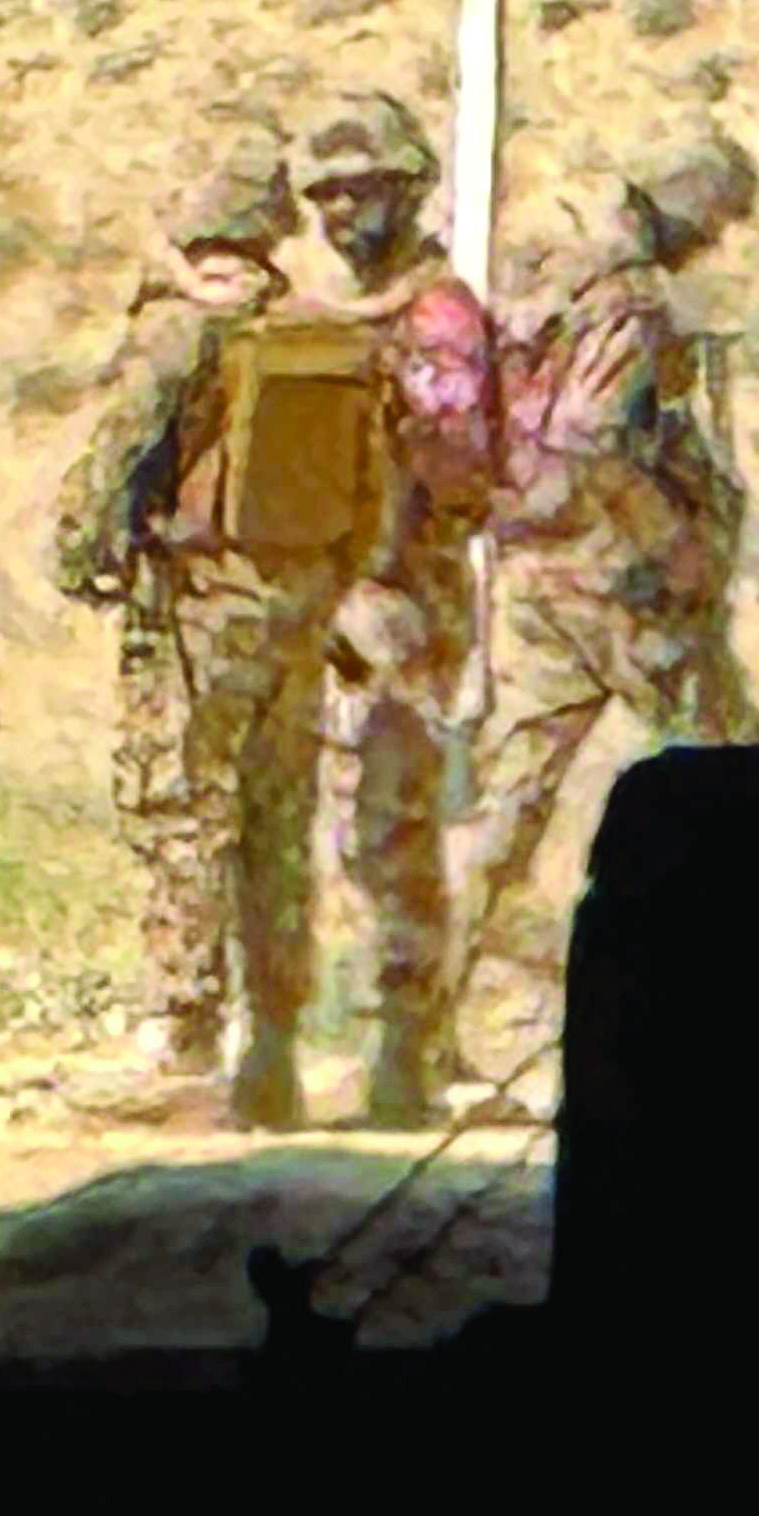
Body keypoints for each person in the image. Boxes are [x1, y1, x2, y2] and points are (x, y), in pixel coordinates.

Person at [50, 128, 350, 1127]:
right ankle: (273, 1051)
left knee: (180, 809)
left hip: (201, 601)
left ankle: (181, 1042)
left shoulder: (185, 327)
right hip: (296, 602)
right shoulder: (311, 324)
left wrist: (78, 547)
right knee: (276, 821)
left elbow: (121, 443)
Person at [449, 136, 759, 1075]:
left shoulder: (550, 286)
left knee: (511, 798)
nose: (716, 243)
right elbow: (590, 433)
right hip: (623, 587)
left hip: (540, 575)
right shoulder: (628, 304)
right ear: (688, 214)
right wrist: (670, 540)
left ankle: (416, 1025)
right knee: (738, 776)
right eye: (715, 224)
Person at [287, 92, 504, 1129]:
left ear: (406, 187)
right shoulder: (331, 320)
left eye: (358, 189)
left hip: (406, 600)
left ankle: (406, 1054)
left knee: (392, 823)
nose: (338, 211)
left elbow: (461, 471)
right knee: (355, 831)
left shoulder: (439, 315)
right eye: (324, 193)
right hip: (337, 601)